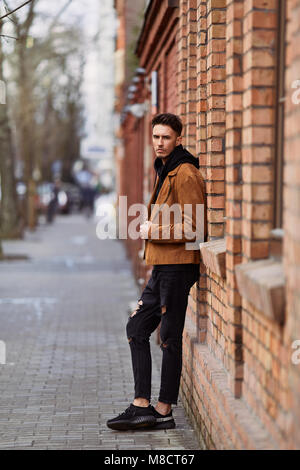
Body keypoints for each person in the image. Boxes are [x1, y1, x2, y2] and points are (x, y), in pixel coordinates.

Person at [107, 113, 207, 431]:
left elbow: (195, 227)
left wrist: (154, 228)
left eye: (165, 137)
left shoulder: (186, 173)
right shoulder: (165, 169)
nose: (159, 143)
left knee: (169, 338)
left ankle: (163, 411)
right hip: (163, 266)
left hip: (178, 267)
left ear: (178, 138)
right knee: (137, 328)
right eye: (155, 137)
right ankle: (141, 405)